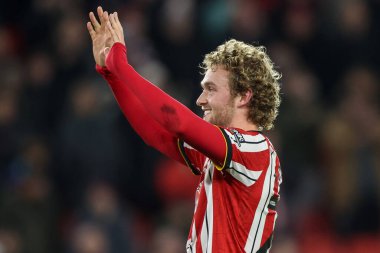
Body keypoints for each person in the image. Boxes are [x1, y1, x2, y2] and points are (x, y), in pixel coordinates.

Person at [87, 6, 282, 253]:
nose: (201, 99)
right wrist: (111, 73)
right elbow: (154, 133)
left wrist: (123, 65)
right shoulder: (222, 154)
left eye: (211, 89)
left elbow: (177, 122)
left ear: (243, 97)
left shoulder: (256, 150)